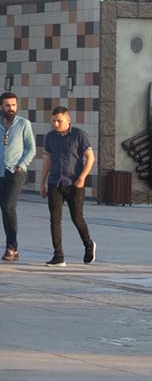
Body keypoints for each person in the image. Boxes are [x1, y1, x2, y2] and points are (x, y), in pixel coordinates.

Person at [40, 106, 96, 267]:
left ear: (68, 119)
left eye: (59, 121)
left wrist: (82, 178)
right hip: (55, 183)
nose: (56, 124)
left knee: (77, 218)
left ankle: (89, 245)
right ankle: (58, 256)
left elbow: (90, 158)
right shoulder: (50, 137)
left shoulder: (79, 135)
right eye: (53, 121)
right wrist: (42, 183)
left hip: (74, 183)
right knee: (54, 220)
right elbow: (46, 161)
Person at [1, 92, 36, 262]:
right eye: (7, 105)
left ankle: (11, 246)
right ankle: (12, 247)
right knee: (4, 210)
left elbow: (31, 148)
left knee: (9, 207)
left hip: (16, 172)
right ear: (1, 106)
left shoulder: (24, 124)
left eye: (13, 105)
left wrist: (22, 165)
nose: (11, 108)